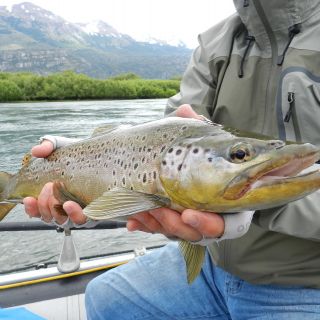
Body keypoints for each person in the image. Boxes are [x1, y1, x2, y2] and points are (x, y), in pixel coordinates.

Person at [24, 0, 320, 319]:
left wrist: (253, 209)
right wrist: (77, 156)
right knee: (107, 297)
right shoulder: (217, 41)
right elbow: (173, 132)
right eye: (239, 155)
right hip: (213, 261)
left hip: (306, 280)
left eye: (239, 155)